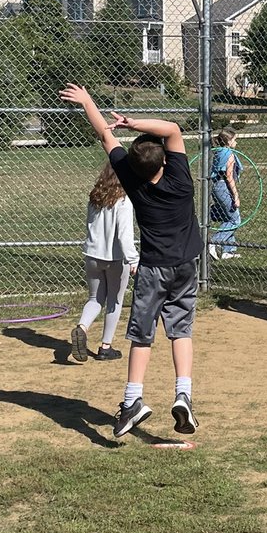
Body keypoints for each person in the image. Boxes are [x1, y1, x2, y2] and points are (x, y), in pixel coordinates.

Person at [59, 83, 202, 439]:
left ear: (133, 167)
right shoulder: (181, 178)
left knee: (142, 335)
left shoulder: (132, 181)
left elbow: (104, 135)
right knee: (181, 331)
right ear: (166, 160)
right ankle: (183, 394)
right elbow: (172, 129)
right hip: (186, 265)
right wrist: (134, 122)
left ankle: (132, 400)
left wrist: (88, 101)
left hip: (153, 269)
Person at [70, 162, 139, 364]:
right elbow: (125, 235)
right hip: (115, 258)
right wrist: (133, 259)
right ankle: (105, 347)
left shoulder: (95, 197)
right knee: (114, 301)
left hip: (92, 255)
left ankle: (82, 327)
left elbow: (89, 225)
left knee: (95, 299)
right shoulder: (124, 201)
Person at [209, 125, 242, 260]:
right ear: (228, 142)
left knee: (228, 217)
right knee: (235, 220)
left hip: (216, 187)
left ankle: (228, 250)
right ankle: (213, 242)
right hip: (223, 187)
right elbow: (229, 177)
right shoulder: (229, 154)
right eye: (234, 140)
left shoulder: (219, 152)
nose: (236, 142)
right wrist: (236, 196)